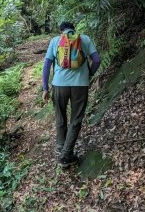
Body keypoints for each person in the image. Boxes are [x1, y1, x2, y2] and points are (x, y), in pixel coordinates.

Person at [42, 22, 101, 167]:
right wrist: (89, 75)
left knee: (60, 117)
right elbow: (97, 60)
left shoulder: (55, 41)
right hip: (80, 85)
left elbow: (47, 65)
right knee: (76, 120)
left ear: (60, 30)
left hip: (59, 85)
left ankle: (61, 147)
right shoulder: (85, 39)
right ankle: (66, 155)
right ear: (74, 30)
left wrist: (45, 88)